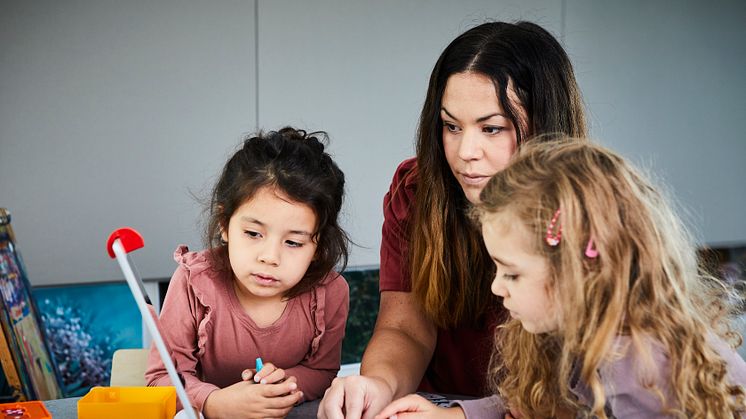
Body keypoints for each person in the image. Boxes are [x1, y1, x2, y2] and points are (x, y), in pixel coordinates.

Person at [319, 21, 586, 419]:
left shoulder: (590, 210)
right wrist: (378, 384)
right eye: (451, 126)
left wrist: (463, 416)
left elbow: (573, 385)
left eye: (491, 128)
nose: (465, 152)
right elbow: (405, 329)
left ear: (544, 126)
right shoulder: (416, 190)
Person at [375, 139, 746, 418]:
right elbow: (545, 396)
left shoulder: (636, 372)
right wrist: (458, 415)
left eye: (513, 273)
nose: (496, 287)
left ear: (576, 273)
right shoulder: (586, 336)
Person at [145, 127, 350, 418]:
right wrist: (213, 403)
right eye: (253, 233)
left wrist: (282, 387)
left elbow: (321, 370)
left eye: (293, 242)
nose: (269, 257)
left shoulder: (330, 292)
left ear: (318, 246)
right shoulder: (193, 281)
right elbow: (159, 379)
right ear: (224, 224)